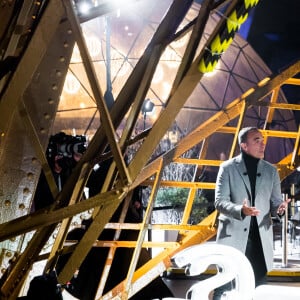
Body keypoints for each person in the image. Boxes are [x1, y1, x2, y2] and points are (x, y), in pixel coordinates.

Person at [213, 127, 289, 299]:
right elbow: (220, 202)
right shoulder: (227, 168)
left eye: (263, 140)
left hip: (260, 242)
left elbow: (276, 202)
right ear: (244, 146)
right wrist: (241, 210)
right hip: (232, 239)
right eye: (257, 140)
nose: (263, 144)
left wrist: (280, 209)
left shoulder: (271, 171)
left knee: (259, 291)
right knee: (223, 288)